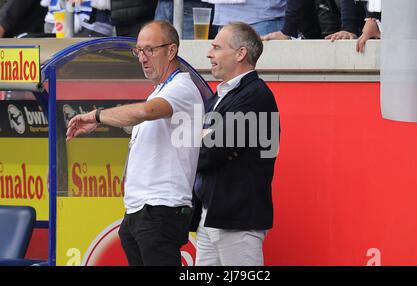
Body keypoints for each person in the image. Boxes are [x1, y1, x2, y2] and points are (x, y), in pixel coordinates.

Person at [66, 20, 204, 266]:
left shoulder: (181, 87)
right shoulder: (161, 90)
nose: (142, 58)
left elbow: (146, 111)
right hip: (141, 211)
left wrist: (97, 116)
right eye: (138, 51)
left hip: (160, 208)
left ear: (171, 51)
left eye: (150, 50)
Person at [191, 22, 280, 266]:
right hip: (212, 216)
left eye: (217, 47)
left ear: (240, 54)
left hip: (237, 220)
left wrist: (202, 140)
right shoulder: (220, 97)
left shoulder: (255, 96)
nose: (209, 54)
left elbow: (210, 151)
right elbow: (203, 146)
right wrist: (202, 140)